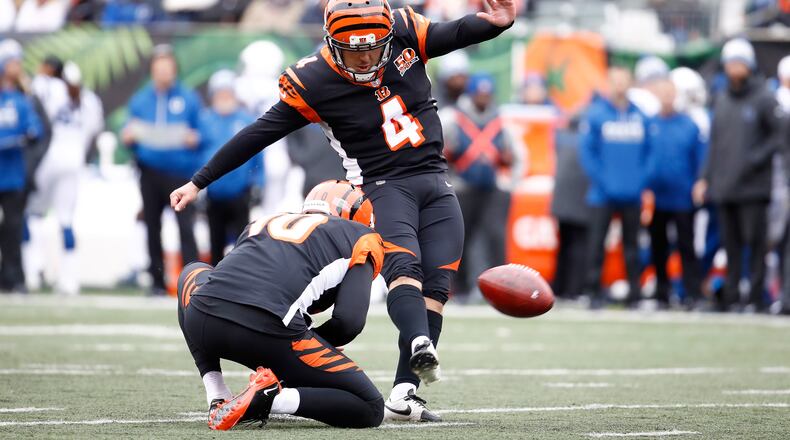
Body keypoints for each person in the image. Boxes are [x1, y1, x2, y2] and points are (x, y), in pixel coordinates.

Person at [169, 0, 516, 422]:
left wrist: (493, 26)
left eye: (374, 47)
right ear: (332, 43)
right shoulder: (314, 79)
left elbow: (454, 32)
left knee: (438, 285)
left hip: (436, 178)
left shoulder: (405, 29)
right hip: (383, 185)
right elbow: (257, 133)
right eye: (355, 50)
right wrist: (199, 180)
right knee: (403, 267)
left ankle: (406, 392)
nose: (367, 57)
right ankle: (420, 342)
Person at [177, 181, 390, 430]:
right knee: (372, 407)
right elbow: (348, 322)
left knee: (193, 271)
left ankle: (216, 392)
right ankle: (272, 399)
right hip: (269, 332)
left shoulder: (264, 222)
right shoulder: (362, 237)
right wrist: (301, 355)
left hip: (202, 320)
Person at [693, 38, 785, 312]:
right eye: (731, 62)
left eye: (740, 62)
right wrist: (705, 177)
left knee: (755, 246)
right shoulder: (721, 99)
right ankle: (732, 296)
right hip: (725, 186)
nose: (735, 68)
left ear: (750, 65)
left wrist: (754, 160)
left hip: (754, 188)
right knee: (730, 246)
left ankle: (755, 298)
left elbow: (779, 135)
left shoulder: (764, 98)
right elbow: (715, 143)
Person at [122, 44, 203, 296]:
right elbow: (128, 132)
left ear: (174, 69)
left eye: (167, 68)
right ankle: (156, 281)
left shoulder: (189, 98)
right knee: (152, 225)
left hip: (180, 174)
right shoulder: (140, 99)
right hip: (149, 172)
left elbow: (202, 133)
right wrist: (128, 136)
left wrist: (193, 138)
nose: (163, 73)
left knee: (185, 226)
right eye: (159, 68)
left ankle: (193, 281)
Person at [25, 62, 103, 296]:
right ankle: (69, 279)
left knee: (33, 213)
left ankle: (33, 270)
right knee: (66, 220)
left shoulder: (50, 88)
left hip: (49, 158)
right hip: (74, 159)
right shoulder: (90, 100)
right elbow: (93, 132)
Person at [442, 73, 519, 301]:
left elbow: (517, 155)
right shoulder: (452, 118)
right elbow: (436, 150)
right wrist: (446, 178)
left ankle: (501, 289)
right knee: (460, 238)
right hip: (462, 187)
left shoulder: (501, 120)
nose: (484, 98)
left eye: (487, 94)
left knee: (496, 237)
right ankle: (461, 288)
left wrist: (510, 182)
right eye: (480, 94)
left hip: (492, 187)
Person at [579, 66, 651, 309]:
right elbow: (587, 152)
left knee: (632, 247)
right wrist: (604, 180)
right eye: (615, 81)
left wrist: (640, 181)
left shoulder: (641, 116)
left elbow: (651, 153)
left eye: (624, 81)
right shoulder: (597, 114)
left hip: (632, 193)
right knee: (596, 244)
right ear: (608, 83)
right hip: (602, 193)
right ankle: (592, 292)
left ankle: (635, 294)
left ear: (630, 83)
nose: (619, 86)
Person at [644, 79, 706, 309]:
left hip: (682, 196)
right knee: (658, 247)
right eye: (663, 93)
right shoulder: (649, 123)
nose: (667, 98)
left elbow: (700, 158)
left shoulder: (689, 125)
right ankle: (662, 292)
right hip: (657, 197)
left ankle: (692, 293)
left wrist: (699, 182)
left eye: (670, 93)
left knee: (686, 246)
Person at [199, 70, 261, 265]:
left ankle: (240, 279)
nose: (224, 99)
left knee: (243, 242)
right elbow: (197, 154)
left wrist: (258, 183)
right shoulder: (205, 120)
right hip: (214, 193)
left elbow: (259, 155)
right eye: (220, 95)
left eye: (228, 94)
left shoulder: (246, 120)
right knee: (215, 240)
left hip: (240, 192)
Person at [0, 47, 43, 293]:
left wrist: (27, 136)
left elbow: (34, 128)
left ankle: (14, 277)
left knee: (14, 227)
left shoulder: (22, 99)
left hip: (13, 174)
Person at [551, 115, 590, 299]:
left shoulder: (562, 137)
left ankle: (560, 286)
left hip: (562, 201)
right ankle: (574, 289)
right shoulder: (587, 142)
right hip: (581, 200)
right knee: (579, 245)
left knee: (565, 245)